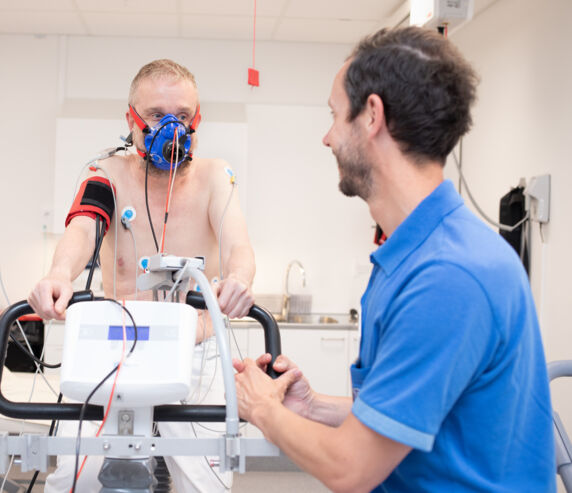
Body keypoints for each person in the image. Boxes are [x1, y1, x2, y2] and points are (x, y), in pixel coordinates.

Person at [233, 26, 555, 492]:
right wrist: (314, 407)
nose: (327, 138)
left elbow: (351, 468)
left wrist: (262, 407)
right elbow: (419, 416)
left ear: (372, 116)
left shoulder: (448, 276)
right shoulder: (411, 257)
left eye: (334, 116)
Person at [29, 59, 255, 493]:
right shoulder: (107, 174)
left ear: (197, 119)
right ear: (130, 119)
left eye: (184, 116)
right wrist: (59, 274)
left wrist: (239, 278)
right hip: (117, 350)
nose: (172, 125)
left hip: (196, 350)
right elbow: (83, 228)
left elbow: (238, 245)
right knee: (73, 481)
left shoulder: (215, 176)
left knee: (204, 484)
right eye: (156, 115)